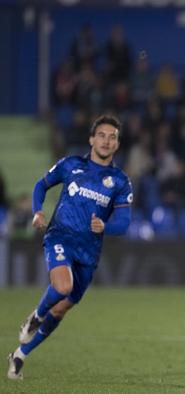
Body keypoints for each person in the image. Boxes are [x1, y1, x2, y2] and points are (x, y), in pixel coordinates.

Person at [7, 115, 132, 380]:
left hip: (89, 253)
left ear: (117, 145)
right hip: (60, 236)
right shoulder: (71, 165)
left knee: (61, 309)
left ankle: (19, 355)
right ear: (91, 139)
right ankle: (35, 316)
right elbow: (42, 185)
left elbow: (123, 223)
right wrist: (37, 212)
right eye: (102, 135)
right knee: (62, 287)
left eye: (112, 137)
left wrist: (105, 227)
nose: (106, 141)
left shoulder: (120, 181)